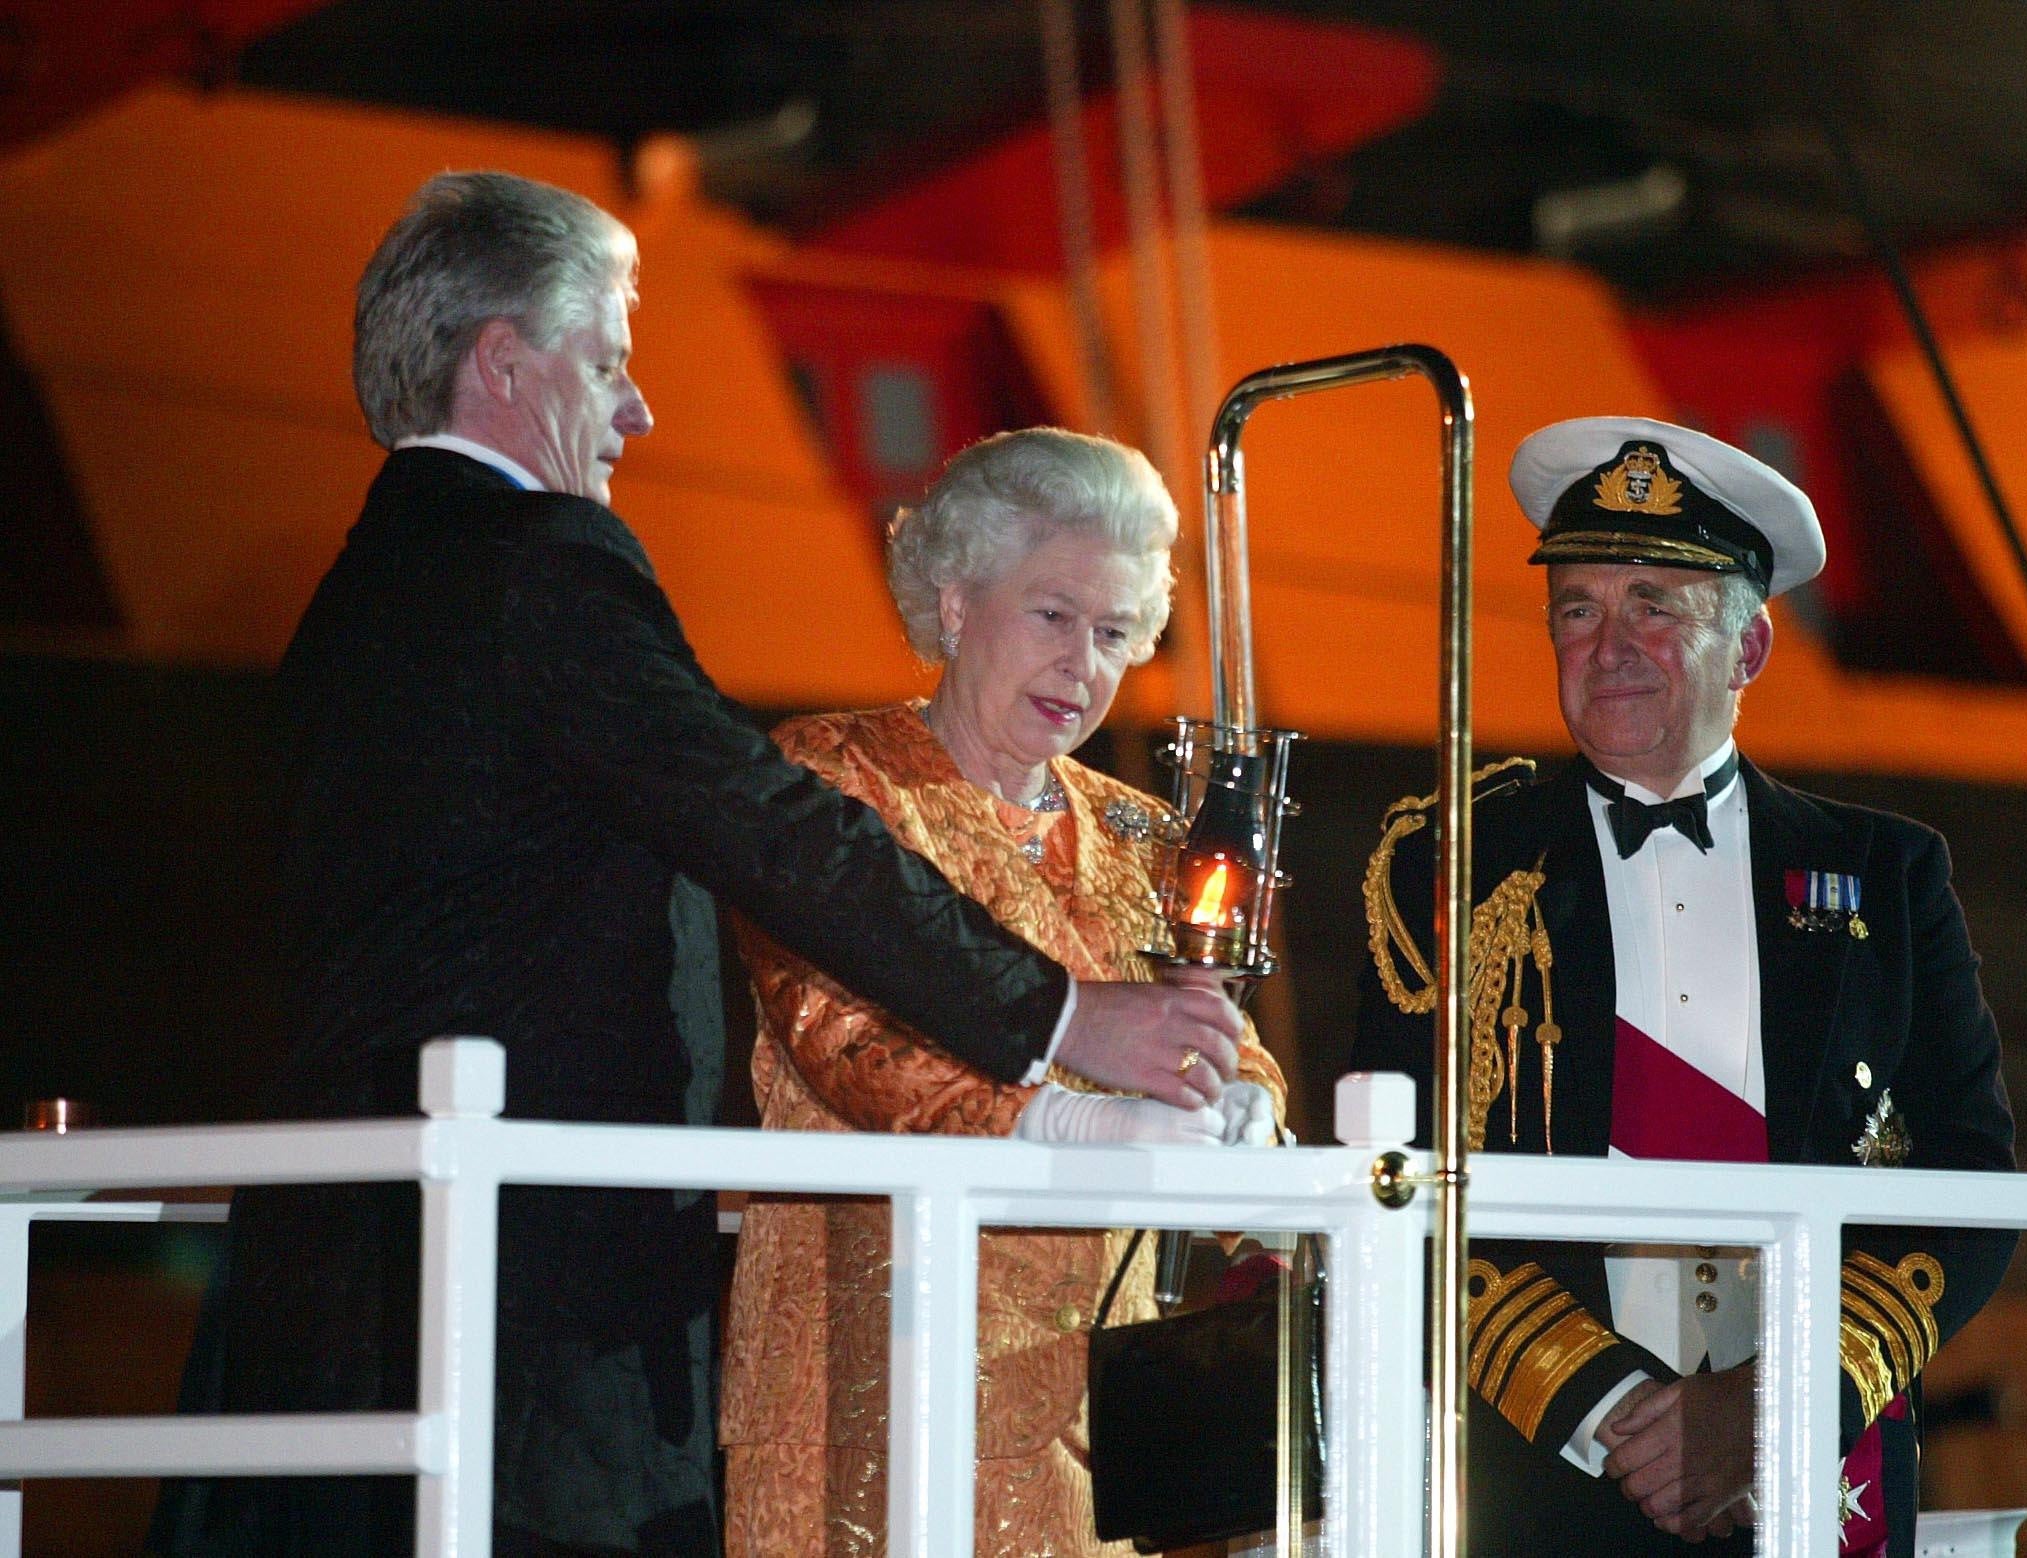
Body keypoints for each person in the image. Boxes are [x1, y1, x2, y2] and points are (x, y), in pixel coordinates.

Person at [150, 173, 1243, 1558]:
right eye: (607, 361)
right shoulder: (542, 563)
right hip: (526, 1309)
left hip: (347, 1276)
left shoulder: (354, 592)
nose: (637, 407)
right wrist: (1069, 1019)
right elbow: (764, 825)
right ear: (503, 363)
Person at [1353, 417, 2017, 1555]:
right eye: (1577, 609)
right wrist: (1607, 1411)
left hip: (1817, 1464)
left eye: (1652, 605)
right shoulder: (1451, 865)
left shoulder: (1882, 872)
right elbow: (1395, 1170)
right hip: (1542, 1467)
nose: (1607, 644)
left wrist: (1775, 1400)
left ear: (1748, 647)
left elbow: (1963, 1175)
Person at [720, 427, 1288, 1556]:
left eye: (1116, 632)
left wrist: (1247, 1109)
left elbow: (1222, 1033)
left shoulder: (1142, 832)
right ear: (951, 599)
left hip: (1103, 1425)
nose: (1083, 665)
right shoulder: (830, 782)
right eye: (1052, 615)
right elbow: (847, 1039)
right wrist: (1082, 1119)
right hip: (870, 1388)